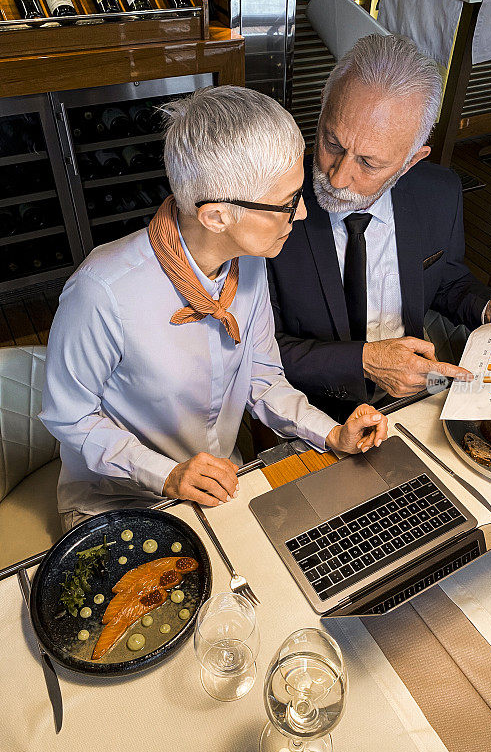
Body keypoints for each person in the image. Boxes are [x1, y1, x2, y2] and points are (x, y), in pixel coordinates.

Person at [40, 86, 387, 530]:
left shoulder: (251, 265)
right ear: (217, 216)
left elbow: (262, 377)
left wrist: (331, 433)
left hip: (220, 485)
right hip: (115, 501)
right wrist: (166, 475)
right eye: (286, 205)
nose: (300, 216)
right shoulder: (101, 291)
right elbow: (68, 416)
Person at [267, 34, 491, 420]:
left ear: (412, 161)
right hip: (310, 410)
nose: (338, 177)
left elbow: (447, 280)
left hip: (416, 395)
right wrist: (364, 361)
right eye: (332, 142)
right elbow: (259, 349)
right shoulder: (268, 205)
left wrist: (488, 307)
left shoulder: (439, 192)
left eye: (369, 163)